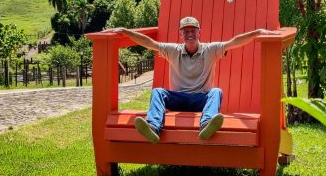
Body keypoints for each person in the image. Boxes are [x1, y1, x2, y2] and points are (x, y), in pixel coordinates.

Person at [103, 17, 278, 143]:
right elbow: (150, 43)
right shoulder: (173, 50)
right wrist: (125, 31)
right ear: (181, 34)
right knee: (158, 91)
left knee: (216, 92)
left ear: (199, 32)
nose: (189, 34)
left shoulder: (211, 50)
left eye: (192, 30)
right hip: (178, 98)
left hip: (200, 100)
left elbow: (234, 42)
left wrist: (258, 33)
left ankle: (207, 125)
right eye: (186, 31)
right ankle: (153, 128)